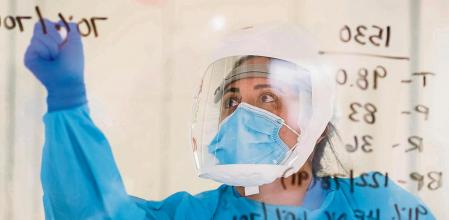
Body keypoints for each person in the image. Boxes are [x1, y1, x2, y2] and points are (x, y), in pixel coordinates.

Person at [24, 19, 435, 219]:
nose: (243, 115)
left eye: (268, 98)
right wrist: (67, 102)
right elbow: (92, 215)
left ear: (316, 122)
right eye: (232, 100)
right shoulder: (193, 216)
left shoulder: (375, 205)